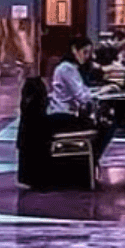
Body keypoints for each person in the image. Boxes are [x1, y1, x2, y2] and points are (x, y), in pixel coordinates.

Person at [47, 35, 115, 169]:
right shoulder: (67, 69)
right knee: (107, 125)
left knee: (104, 123)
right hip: (63, 116)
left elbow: (82, 91)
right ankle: (90, 161)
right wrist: (102, 92)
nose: (87, 56)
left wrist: (98, 91)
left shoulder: (70, 68)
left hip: (62, 114)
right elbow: (82, 97)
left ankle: (90, 161)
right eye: (85, 52)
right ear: (74, 50)